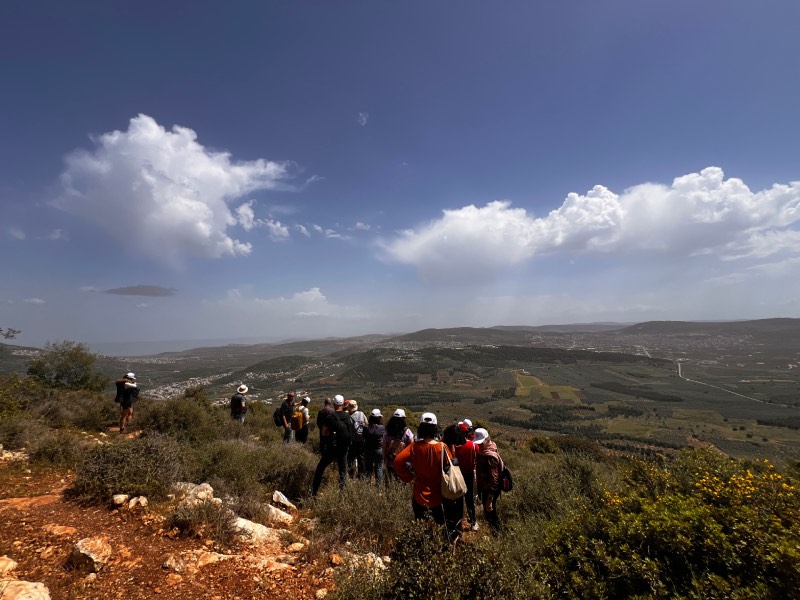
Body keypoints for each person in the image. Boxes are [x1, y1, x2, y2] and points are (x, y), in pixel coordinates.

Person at [393, 412, 462, 543]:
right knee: (439, 527)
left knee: (420, 527)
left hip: (419, 495)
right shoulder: (442, 447)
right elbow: (449, 467)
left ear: (421, 427)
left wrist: (409, 476)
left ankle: (422, 547)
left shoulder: (415, 446)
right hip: (438, 495)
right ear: (435, 428)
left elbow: (397, 461)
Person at [311, 394, 352, 496]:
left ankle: (314, 492)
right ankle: (342, 495)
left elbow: (323, 433)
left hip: (332, 447)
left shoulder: (330, 417)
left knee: (320, 468)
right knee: (342, 472)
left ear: (334, 404)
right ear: (342, 404)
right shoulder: (348, 416)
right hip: (343, 448)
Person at [474, 427, 504, 532]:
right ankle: (494, 531)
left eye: (481, 443)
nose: (479, 445)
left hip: (490, 489)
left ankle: (495, 532)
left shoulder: (489, 456)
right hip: (485, 487)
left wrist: (490, 499)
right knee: (489, 511)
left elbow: (494, 479)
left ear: (487, 440)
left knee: (490, 511)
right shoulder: (489, 448)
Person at [455, 422, 478, 531]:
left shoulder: (454, 447)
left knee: (458, 500)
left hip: (457, 475)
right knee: (469, 499)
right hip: (469, 475)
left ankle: (458, 524)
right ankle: (473, 522)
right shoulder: (472, 445)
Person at [383, 408, 414, 481]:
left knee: (391, 480)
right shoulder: (407, 431)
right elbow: (412, 446)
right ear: (403, 418)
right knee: (402, 481)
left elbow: (384, 446)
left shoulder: (387, 431)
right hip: (403, 462)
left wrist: (385, 459)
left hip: (390, 461)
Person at [346, 400, 368, 478]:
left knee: (351, 458)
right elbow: (366, 424)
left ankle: (351, 475)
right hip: (362, 440)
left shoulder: (349, 417)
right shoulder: (361, 414)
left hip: (353, 441)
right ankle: (361, 476)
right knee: (361, 458)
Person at [364, 409, 386, 484]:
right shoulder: (382, 427)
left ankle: (367, 485)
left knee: (368, 469)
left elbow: (364, 437)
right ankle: (378, 486)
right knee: (379, 468)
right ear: (378, 418)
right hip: (379, 450)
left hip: (368, 449)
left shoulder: (366, 427)